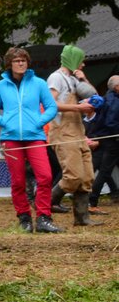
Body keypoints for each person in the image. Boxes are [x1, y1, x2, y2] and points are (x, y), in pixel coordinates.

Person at [0, 47, 61, 233]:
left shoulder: (39, 83)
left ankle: (44, 217)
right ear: (9, 64)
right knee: (18, 181)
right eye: (17, 61)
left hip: (35, 137)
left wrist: (39, 122)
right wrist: (5, 123)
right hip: (11, 139)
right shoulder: (1, 86)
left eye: (23, 60)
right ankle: (24, 218)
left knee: (45, 176)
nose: (21, 63)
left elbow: (51, 107)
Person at [47, 45, 100, 225]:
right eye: (80, 60)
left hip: (78, 132)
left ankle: (82, 218)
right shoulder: (56, 78)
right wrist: (78, 107)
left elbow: (95, 98)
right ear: (72, 59)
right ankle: (44, 205)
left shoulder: (74, 79)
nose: (83, 64)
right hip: (63, 133)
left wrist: (83, 79)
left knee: (87, 177)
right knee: (73, 176)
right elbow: (50, 104)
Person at [88, 75, 119, 207]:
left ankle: (93, 198)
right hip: (113, 139)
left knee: (104, 170)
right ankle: (92, 199)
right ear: (117, 87)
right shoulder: (114, 101)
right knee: (105, 170)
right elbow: (111, 122)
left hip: (107, 138)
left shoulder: (108, 97)